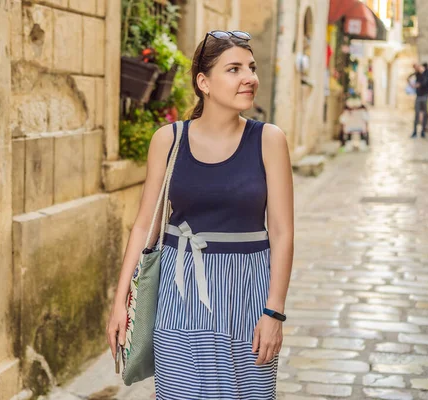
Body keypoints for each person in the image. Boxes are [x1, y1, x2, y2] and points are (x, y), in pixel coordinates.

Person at [107, 30, 294, 399]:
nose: (249, 78)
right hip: (178, 294)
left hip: (247, 292)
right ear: (203, 82)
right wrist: (120, 302)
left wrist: (274, 313)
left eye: (251, 68)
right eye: (235, 69)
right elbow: (144, 224)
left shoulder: (269, 139)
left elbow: (283, 232)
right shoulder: (169, 139)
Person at [411, 62, 428, 138]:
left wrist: (418, 85)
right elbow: (410, 77)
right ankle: (415, 131)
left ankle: (423, 131)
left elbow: (425, 82)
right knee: (416, 114)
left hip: (425, 96)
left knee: (425, 114)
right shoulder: (417, 74)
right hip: (418, 96)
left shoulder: (426, 72)